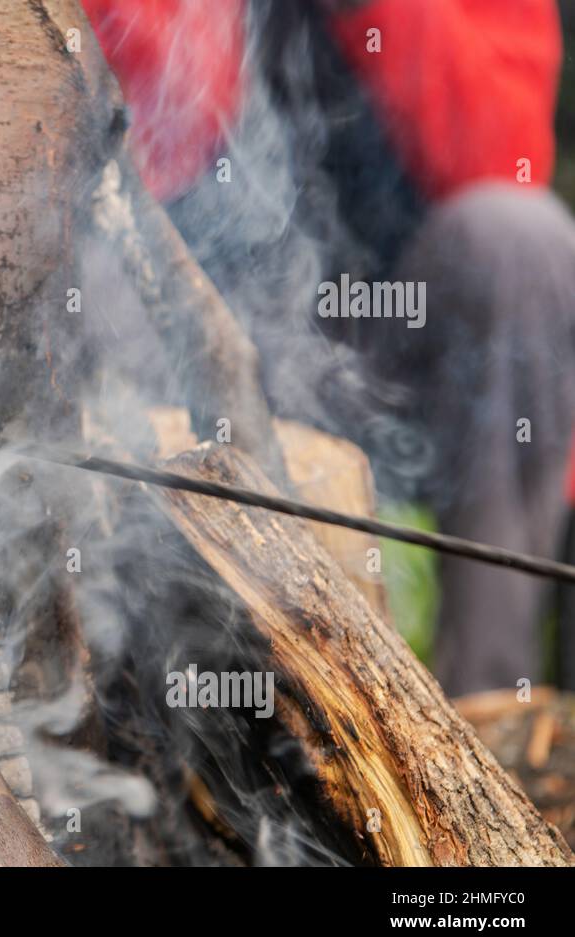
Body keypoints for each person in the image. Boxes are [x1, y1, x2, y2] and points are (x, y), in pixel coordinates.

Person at [83, 0, 575, 695]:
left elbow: (498, 158)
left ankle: (491, 717)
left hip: (405, 356)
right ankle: (136, 709)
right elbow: (135, 146)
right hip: (201, 330)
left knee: (523, 242)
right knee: (93, 280)